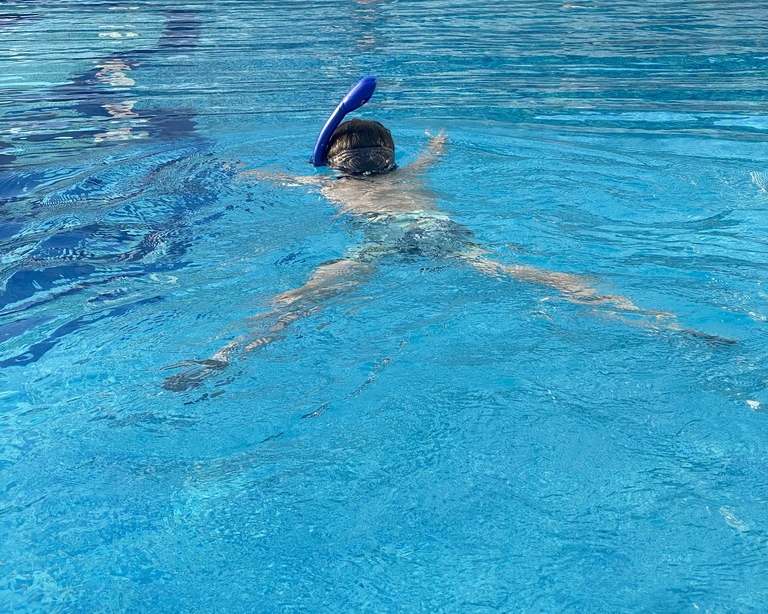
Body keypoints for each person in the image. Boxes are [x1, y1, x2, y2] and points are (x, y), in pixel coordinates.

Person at [162, 80, 733, 392]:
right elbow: (433, 154)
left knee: (304, 299)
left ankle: (227, 355)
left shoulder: (326, 187)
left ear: (334, 163)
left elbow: (267, 176)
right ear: (390, 155)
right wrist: (437, 141)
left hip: (378, 241)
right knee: (536, 276)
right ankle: (654, 320)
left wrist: (239, 169)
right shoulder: (409, 174)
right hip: (436, 231)